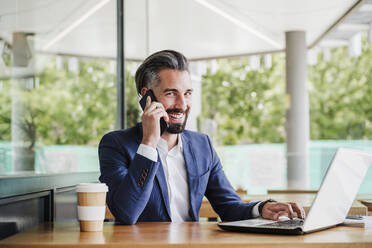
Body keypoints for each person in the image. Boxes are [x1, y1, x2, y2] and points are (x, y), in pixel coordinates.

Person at [98, 50, 305, 224]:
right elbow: (127, 213)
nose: (182, 104)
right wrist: (149, 144)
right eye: (171, 93)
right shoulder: (115, 145)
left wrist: (262, 209)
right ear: (146, 96)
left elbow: (228, 206)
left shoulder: (201, 145)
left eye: (187, 93)